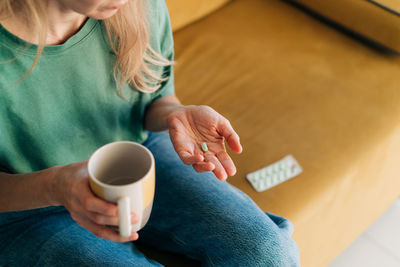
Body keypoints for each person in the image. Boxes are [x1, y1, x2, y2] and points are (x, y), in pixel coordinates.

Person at [0, 0, 300, 266]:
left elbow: (154, 99)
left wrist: (175, 115)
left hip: (141, 150)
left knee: (268, 253)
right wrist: (56, 187)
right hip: (28, 207)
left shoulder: (137, 8)